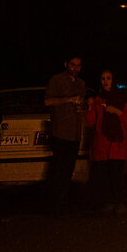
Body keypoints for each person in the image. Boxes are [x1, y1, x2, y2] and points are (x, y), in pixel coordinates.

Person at [86, 69, 127, 215]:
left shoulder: (122, 97)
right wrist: (89, 107)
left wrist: (116, 111)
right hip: (102, 143)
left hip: (116, 143)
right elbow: (91, 122)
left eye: (108, 78)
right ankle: (108, 203)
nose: (106, 81)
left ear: (113, 80)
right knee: (104, 176)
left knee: (116, 174)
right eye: (103, 79)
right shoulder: (98, 99)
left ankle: (119, 202)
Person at [45, 56, 86, 210]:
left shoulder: (81, 83)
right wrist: (68, 100)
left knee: (68, 170)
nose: (75, 68)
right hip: (60, 133)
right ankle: (53, 205)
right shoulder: (57, 80)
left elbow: (81, 106)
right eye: (73, 65)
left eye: (78, 66)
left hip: (74, 133)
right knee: (58, 170)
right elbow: (47, 101)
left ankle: (63, 204)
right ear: (66, 64)